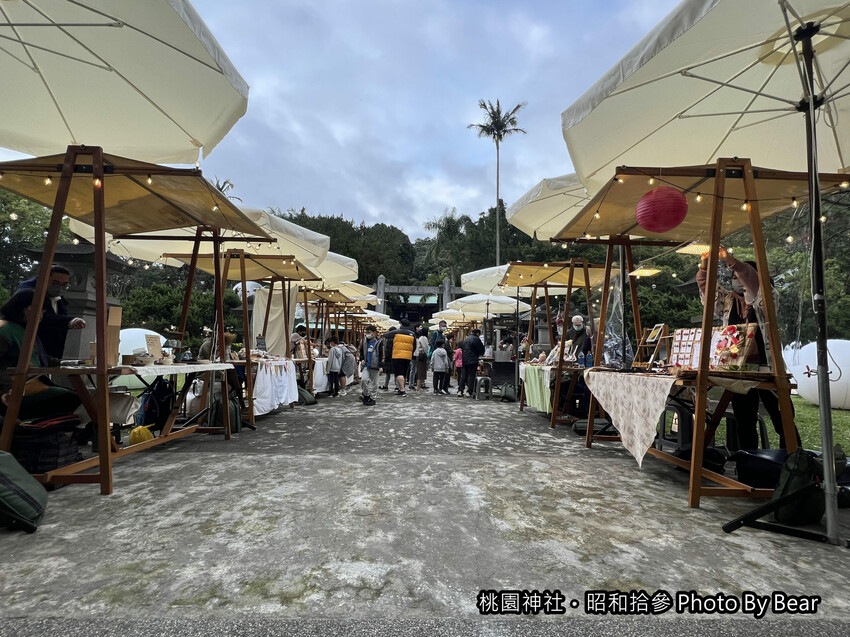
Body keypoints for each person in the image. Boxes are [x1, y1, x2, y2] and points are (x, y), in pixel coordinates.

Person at [697, 246, 799, 450]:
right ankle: (749, 462)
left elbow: (755, 283)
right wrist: (704, 266)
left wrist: (732, 261)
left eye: (740, 275)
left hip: (768, 367)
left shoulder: (767, 299)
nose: (737, 278)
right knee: (744, 419)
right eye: (734, 275)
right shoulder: (728, 301)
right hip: (738, 370)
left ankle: (793, 461)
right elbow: (706, 289)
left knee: (782, 418)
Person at [0, 290, 82, 419]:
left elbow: (39, 357)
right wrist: (7, 389)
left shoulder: (23, 330)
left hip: (30, 385)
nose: (42, 316)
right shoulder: (4, 330)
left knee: (79, 398)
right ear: (29, 308)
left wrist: (73, 363)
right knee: (71, 399)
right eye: (43, 312)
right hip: (15, 390)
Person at [17, 264, 86, 360]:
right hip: (25, 351)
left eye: (64, 284)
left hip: (50, 354)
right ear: (43, 279)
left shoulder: (58, 298)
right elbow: (41, 318)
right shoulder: (27, 295)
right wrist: (69, 321)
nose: (59, 287)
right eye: (55, 283)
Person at [385, 318, 415, 397]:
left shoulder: (396, 332)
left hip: (397, 355)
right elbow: (414, 346)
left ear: (401, 324)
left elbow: (386, 335)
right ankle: (401, 388)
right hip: (408, 356)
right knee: (404, 373)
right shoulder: (412, 334)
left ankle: (402, 390)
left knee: (398, 373)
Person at [359, 325, 382, 406]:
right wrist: (361, 359)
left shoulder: (379, 342)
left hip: (375, 366)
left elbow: (382, 354)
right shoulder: (364, 341)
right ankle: (366, 395)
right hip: (366, 365)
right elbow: (361, 352)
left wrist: (381, 365)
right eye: (366, 332)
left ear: (375, 333)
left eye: (369, 332)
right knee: (363, 380)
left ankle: (373, 398)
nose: (367, 334)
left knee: (374, 383)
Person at [460, 328, 485, 397]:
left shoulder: (466, 339)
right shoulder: (476, 339)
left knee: (464, 375)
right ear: (477, 333)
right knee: (471, 376)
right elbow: (481, 349)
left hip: (465, 359)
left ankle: (460, 390)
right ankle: (469, 391)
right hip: (472, 360)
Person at [413, 327, 430, 391]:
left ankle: (418, 386)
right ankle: (418, 387)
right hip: (422, 356)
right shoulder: (424, 338)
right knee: (421, 372)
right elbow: (425, 347)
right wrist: (427, 352)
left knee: (420, 371)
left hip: (419, 355)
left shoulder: (420, 338)